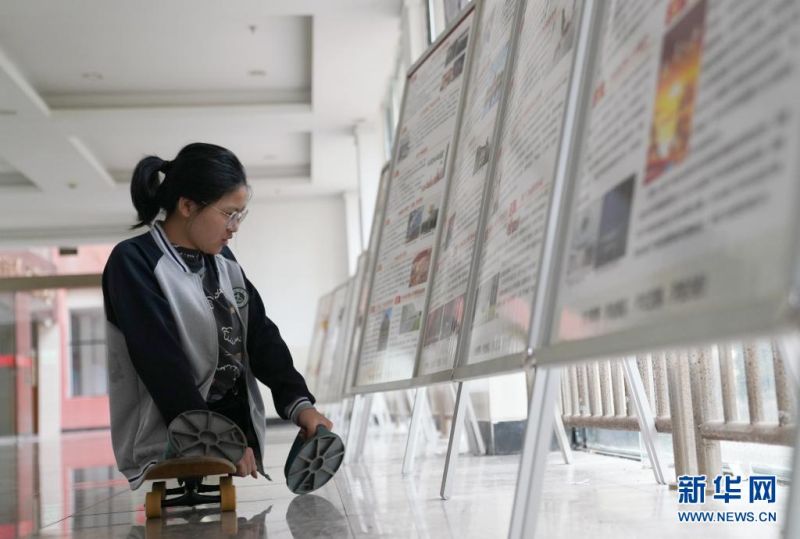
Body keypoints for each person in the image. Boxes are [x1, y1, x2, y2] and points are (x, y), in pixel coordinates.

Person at [102, 142, 332, 490]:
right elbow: (160, 361)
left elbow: (261, 336)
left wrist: (299, 404)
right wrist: (213, 435)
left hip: (224, 427)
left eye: (241, 214)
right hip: (169, 432)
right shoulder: (134, 262)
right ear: (187, 205)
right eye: (228, 213)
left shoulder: (225, 264)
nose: (235, 226)